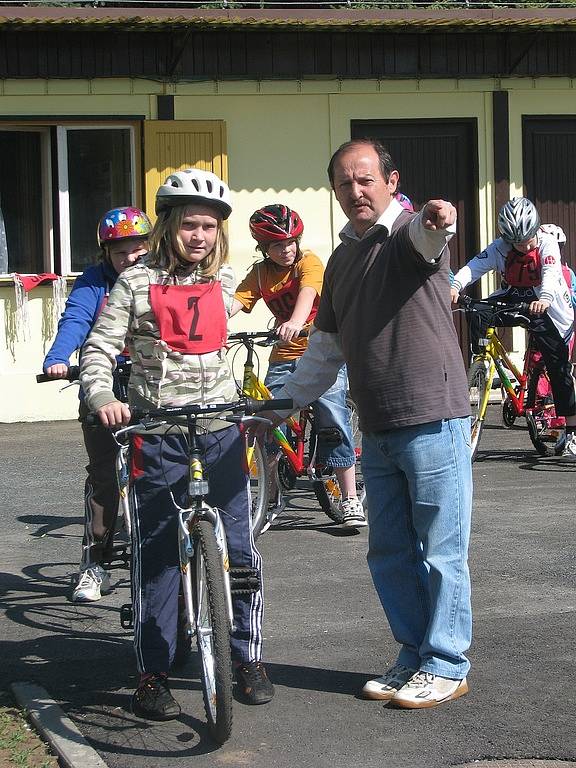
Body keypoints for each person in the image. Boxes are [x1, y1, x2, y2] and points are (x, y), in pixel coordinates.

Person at [256, 138, 473, 709]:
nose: (356, 190)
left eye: (366, 179)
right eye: (345, 183)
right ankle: (413, 655)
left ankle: (447, 662)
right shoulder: (342, 258)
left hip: (432, 417)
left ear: (391, 181)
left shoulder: (405, 233)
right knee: (390, 551)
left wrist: (440, 222)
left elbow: (428, 240)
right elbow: (324, 350)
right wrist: (279, 408)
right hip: (375, 426)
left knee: (441, 551)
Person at [80, 168, 274, 721]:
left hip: (219, 432)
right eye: (189, 225)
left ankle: (247, 659)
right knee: (158, 558)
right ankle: (152, 674)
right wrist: (102, 397)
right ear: (168, 226)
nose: (199, 236)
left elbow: (278, 291)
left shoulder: (227, 281)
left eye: (209, 227)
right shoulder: (135, 282)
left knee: (240, 550)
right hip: (158, 434)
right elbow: (99, 348)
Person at [230, 203, 365, 528]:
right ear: (263, 248)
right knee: (263, 421)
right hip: (284, 356)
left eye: (291, 241)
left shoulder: (309, 262)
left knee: (332, 417)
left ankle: (349, 497)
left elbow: (307, 292)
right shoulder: (260, 273)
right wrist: (214, 326)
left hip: (321, 352)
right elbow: (238, 301)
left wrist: (294, 321)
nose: (286, 249)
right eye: (277, 245)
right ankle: (270, 495)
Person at [43, 206, 151, 602]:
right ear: (106, 253)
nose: (129, 259)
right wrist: (58, 358)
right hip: (102, 381)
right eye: (120, 252)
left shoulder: (159, 278)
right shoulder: (93, 282)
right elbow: (75, 319)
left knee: (161, 473)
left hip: (151, 386)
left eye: (137, 250)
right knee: (105, 477)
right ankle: (95, 565)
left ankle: (168, 562)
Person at [451, 198, 576, 457]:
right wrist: (455, 285)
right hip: (515, 295)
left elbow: (552, 273)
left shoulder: (546, 242)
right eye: (518, 242)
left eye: (528, 238)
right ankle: (481, 359)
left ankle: (572, 427)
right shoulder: (500, 248)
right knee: (478, 310)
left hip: (548, 304)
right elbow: (475, 266)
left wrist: (545, 300)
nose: (525, 245)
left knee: (558, 365)